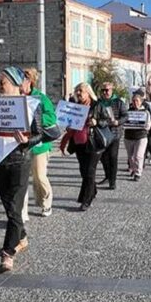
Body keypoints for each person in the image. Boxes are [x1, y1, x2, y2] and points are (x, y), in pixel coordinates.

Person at [0, 67, 59, 271]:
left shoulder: (32, 105)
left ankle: (8, 253)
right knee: (9, 208)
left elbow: (41, 133)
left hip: (20, 160)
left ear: (17, 84)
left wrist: (27, 141)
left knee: (15, 208)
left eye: (3, 82)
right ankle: (22, 237)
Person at [59, 82, 110, 211]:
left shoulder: (97, 106)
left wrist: (97, 122)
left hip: (94, 142)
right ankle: (93, 190)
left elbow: (107, 121)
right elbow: (68, 124)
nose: (78, 93)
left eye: (81, 91)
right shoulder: (75, 107)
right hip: (78, 143)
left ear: (88, 92)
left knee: (89, 171)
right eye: (77, 91)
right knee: (83, 171)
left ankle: (86, 200)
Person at [23, 67, 58, 217]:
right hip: (21, 143)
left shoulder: (41, 98)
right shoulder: (16, 97)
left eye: (22, 80)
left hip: (39, 144)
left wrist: (33, 119)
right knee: (23, 179)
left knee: (39, 176)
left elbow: (51, 117)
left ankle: (46, 202)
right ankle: (23, 211)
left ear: (29, 82)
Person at [96, 82, 127, 190]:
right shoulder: (99, 103)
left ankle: (112, 181)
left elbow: (125, 116)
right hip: (101, 133)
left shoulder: (118, 102)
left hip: (114, 133)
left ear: (112, 90)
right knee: (103, 157)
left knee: (113, 157)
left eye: (107, 90)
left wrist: (118, 122)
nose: (105, 92)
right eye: (103, 90)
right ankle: (108, 176)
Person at [123, 93, 151, 180]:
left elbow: (148, 125)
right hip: (129, 136)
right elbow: (124, 122)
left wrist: (144, 126)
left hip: (141, 136)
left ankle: (138, 173)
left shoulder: (145, 112)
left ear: (141, 102)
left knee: (138, 155)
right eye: (134, 101)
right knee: (130, 156)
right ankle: (133, 169)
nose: (135, 103)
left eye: (137, 101)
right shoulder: (128, 112)